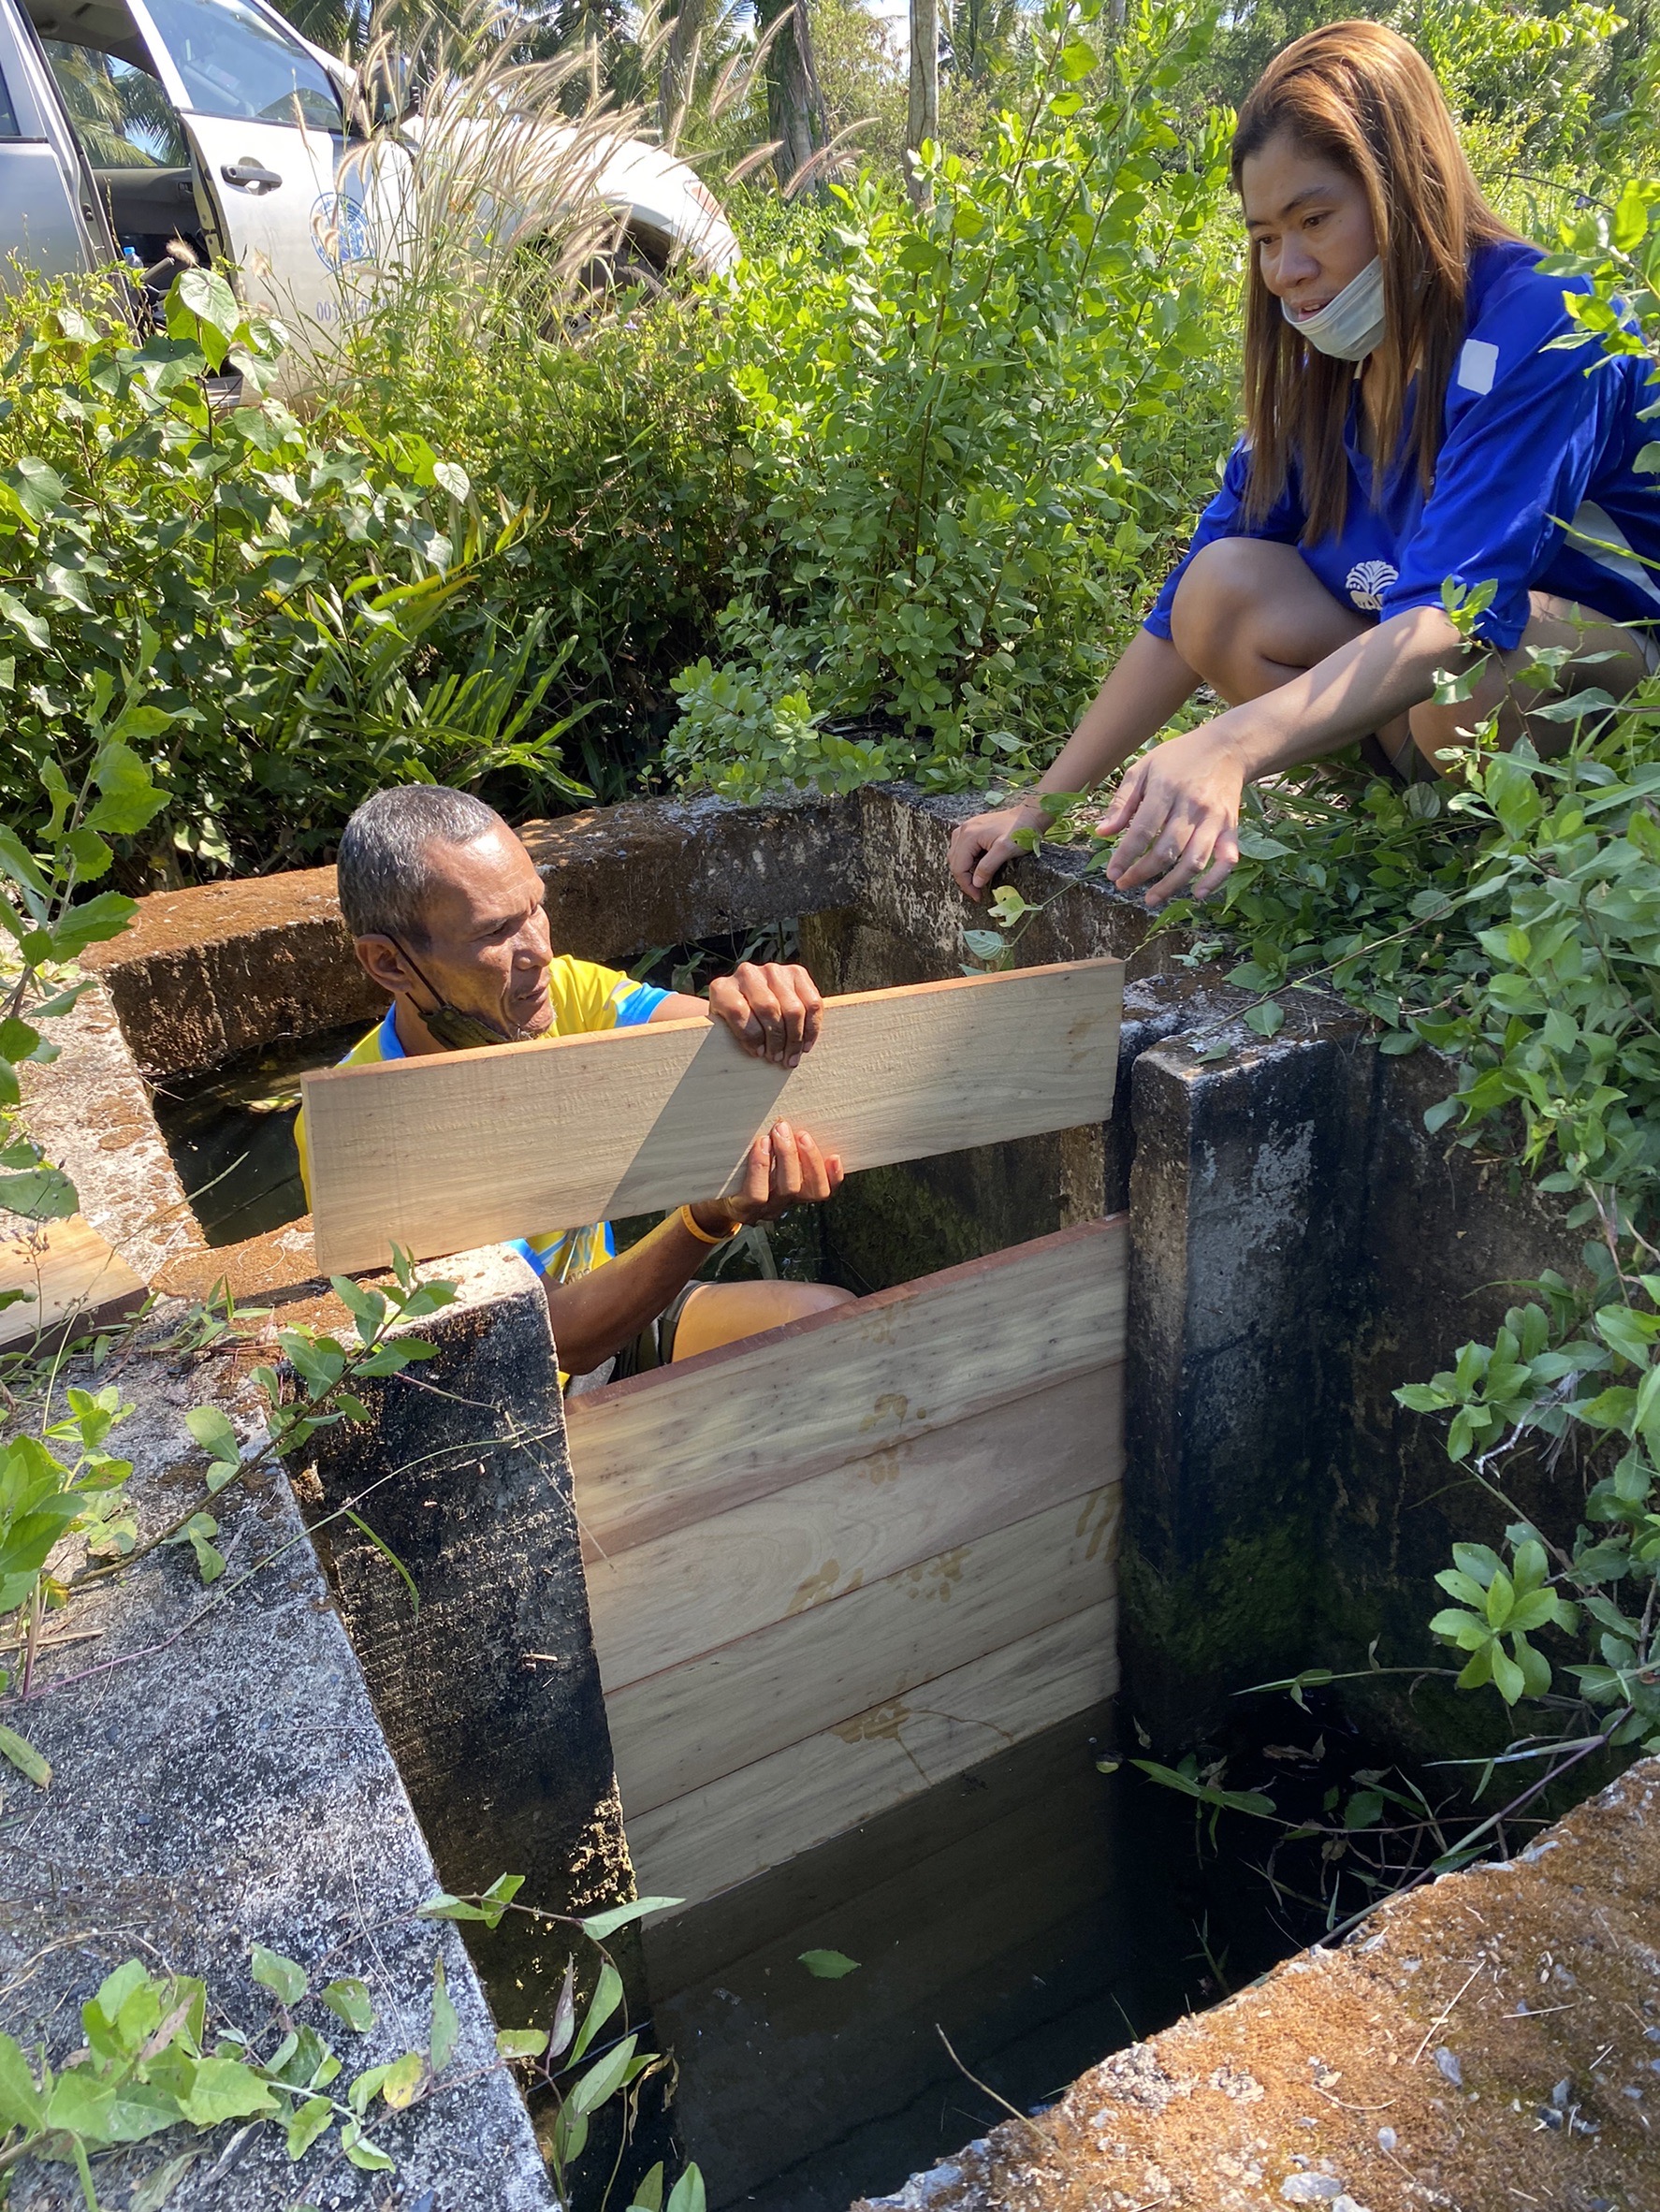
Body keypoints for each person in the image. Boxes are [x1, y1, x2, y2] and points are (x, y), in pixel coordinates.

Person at [949, 20, 1660, 916]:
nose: (1286, 269)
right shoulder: (1323, 376)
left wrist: (1233, 744)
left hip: (1603, 688)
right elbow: (1181, 620)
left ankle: (1539, 867)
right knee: (1223, 588)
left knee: (1465, 675)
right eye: (1263, 237)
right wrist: (1041, 804)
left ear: (1404, 186)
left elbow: (1456, 614)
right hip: (1431, 697)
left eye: (1315, 220)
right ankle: (1414, 829)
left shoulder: (1544, 322)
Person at [296, 786, 854, 1383]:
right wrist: (708, 1218)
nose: (539, 950)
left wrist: (758, 1004)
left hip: (619, 1311)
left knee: (833, 1327)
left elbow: (720, 1041)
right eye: (495, 932)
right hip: (510, 1396)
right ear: (389, 963)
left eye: (535, 907)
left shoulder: (563, 992)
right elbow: (555, 1339)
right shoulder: (364, 1133)